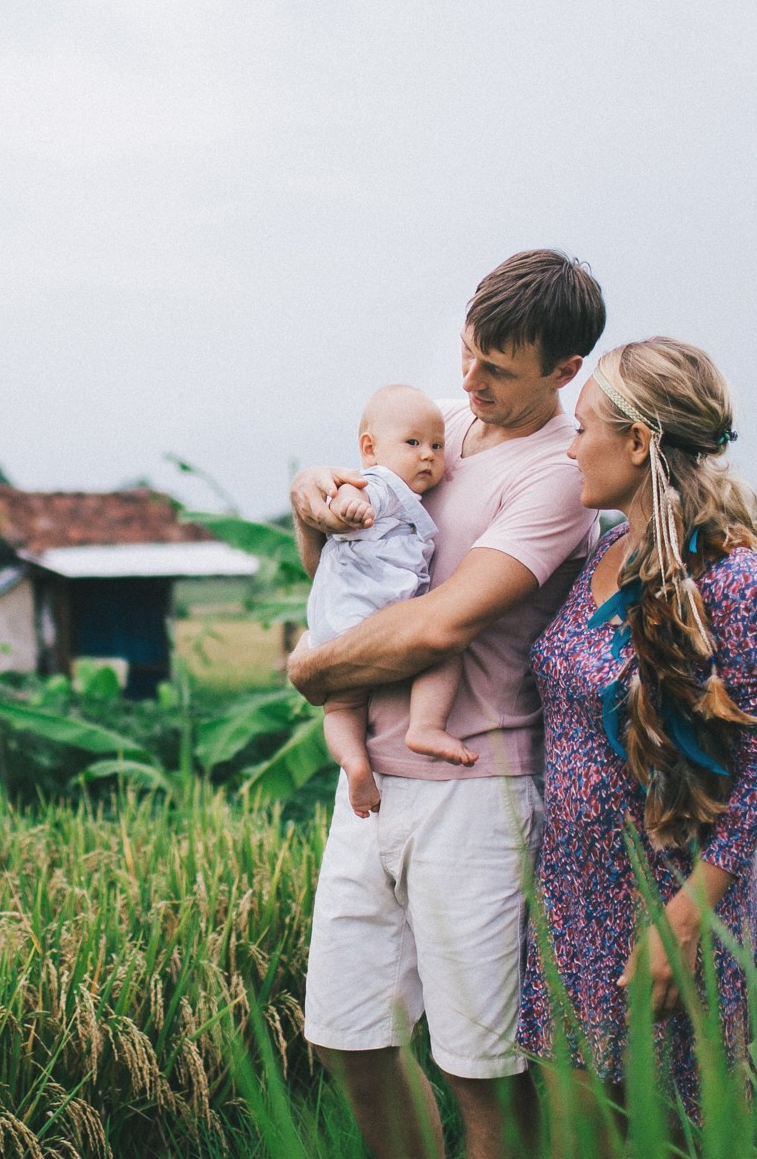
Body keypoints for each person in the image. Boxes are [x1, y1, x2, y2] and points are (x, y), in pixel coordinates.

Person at [289, 250, 605, 1159]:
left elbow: (438, 628)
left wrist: (315, 674)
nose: (471, 381)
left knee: (477, 1068)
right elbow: (339, 568)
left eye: (498, 370)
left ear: (563, 371)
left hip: (477, 790)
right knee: (346, 1037)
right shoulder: (437, 426)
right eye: (469, 353)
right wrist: (309, 501)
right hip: (371, 790)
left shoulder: (558, 476)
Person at [515, 337, 757, 1126]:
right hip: (571, 896)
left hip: (674, 902)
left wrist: (685, 919)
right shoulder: (603, 549)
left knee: (684, 1132)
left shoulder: (729, 579)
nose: (571, 447)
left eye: (585, 427)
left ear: (639, 442)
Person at [307, 385, 467, 820]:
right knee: (447, 649)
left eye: (437, 445)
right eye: (413, 443)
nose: (429, 455)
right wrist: (352, 505)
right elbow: (349, 494)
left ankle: (355, 763)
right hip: (374, 619)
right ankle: (426, 726)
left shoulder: (400, 492)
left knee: (342, 705)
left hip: (334, 625)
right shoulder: (383, 485)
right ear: (369, 449)